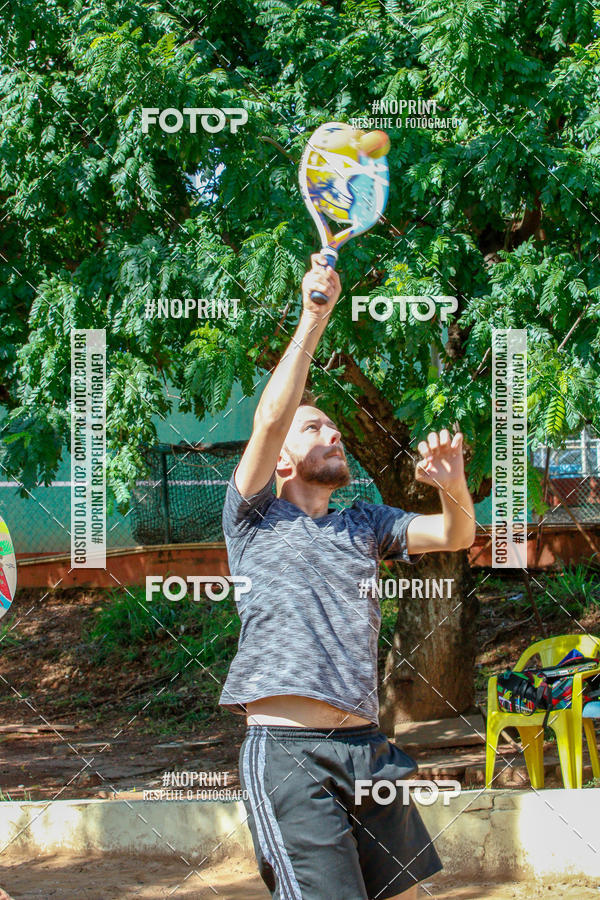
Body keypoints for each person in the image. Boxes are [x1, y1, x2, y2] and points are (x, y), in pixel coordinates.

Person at [219, 253, 476, 899]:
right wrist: (315, 315)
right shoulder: (251, 518)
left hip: (366, 745)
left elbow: (455, 535)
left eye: (335, 428)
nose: (333, 434)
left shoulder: (365, 522)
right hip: (287, 756)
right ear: (280, 457)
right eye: (316, 427)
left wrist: (454, 487)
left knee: (408, 894)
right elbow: (270, 417)